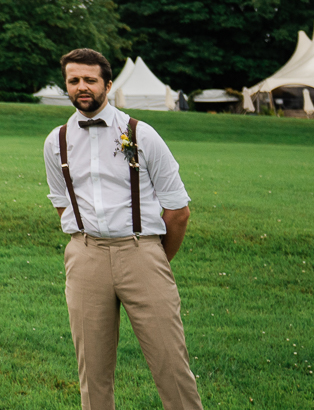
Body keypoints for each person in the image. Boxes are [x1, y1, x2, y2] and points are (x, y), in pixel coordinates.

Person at [45, 48, 201, 410]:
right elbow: (62, 202)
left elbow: (178, 210)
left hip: (142, 254)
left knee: (170, 364)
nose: (82, 87)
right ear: (66, 86)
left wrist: (154, 257)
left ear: (108, 85)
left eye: (90, 80)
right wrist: (85, 243)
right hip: (85, 258)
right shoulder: (56, 141)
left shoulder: (141, 134)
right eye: (74, 80)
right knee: (92, 373)